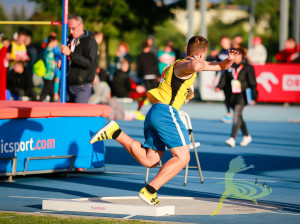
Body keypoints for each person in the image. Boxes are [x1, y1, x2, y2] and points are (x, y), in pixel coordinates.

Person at [90, 36, 239, 205]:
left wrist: (229, 60)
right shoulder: (184, 64)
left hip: (155, 112)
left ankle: (115, 133)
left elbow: (220, 66)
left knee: (150, 160)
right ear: (203, 53)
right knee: (183, 158)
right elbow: (196, 65)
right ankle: (150, 190)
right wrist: (198, 63)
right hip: (166, 113)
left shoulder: (177, 66)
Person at [216, 47, 258, 147]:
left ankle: (232, 138)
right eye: (235, 55)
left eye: (239, 55)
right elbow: (224, 78)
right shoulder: (230, 66)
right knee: (238, 115)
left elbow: (253, 83)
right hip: (231, 95)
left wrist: (254, 97)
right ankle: (247, 135)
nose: (237, 57)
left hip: (243, 95)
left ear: (242, 56)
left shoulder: (248, 67)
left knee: (236, 115)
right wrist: (219, 86)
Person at [60, 14, 98, 103]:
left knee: (78, 115)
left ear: (81, 26)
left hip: (82, 87)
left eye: (73, 28)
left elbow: (88, 63)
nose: (71, 31)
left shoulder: (90, 41)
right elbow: (70, 61)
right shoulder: (69, 39)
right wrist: (61, 63)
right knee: (65, 114)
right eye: (69, 29)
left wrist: (70, 54)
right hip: (67, 85)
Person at [217, 36, 233, 123]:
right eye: (221, 41)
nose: (222, 43)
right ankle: (228, 114)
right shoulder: (221, 52)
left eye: (224, 41)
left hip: (232, 77)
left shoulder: (232, 51)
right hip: (223, 77)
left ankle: (236, 113)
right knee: (227, 96)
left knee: (233, 96)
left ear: (228, 42)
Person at [39, 36, 58, 102]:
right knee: (44, 95)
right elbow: (49, 65)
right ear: (52, 42)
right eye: (56, 42)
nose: (56, 44)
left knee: (51, 95)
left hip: (48, 76)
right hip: (48, 76)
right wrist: (56, 65)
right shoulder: (50, 52)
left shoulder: (46, 50)